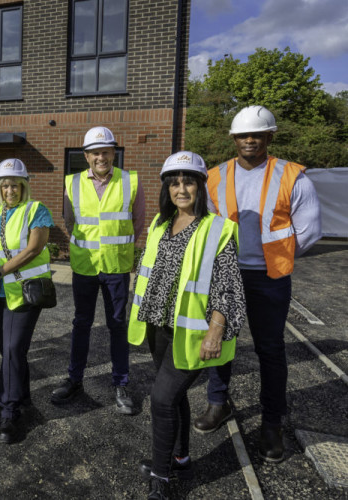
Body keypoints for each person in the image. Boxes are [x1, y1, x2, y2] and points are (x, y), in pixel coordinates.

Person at [195, 105, 321, 462]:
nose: (249, 140)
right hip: (225, 274)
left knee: (270, 350)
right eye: (242, 135)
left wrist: (278, 255)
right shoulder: (214, 176)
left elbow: (310, 231)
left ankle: (271, 423)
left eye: (256, 134)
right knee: (219, 341)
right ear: (234, 139)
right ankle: (219, 403)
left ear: (269, 136)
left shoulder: (292, 176)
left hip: (269, 278)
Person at [128, 151, 246, 500]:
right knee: (175, 398)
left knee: (161, 399)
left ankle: (162, 479)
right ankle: (180, 456)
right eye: (175, 183)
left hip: (193, 333)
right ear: (167, 189)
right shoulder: (159, 225)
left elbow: (228, 285)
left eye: (189, 182)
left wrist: (216, 330)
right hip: (158, 327)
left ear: (200, 187)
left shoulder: (217, 228)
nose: (182, 189)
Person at [51, 126, 145, 415]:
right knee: (81, 324)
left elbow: (138, 222)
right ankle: (75, 380)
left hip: (116, 266)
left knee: (117, 325)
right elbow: (69, 221)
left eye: (106, 151)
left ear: (113, 153)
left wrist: (118, 248)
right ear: (86, 155)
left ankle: (121, 384)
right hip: (85, 266)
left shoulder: (130, 181)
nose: (101, 157)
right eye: (95, 152)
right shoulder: (72, 183)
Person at [0, 158, 54, 444]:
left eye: (16, 185)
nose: (10, 190)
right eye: (5, 185)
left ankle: (9, 412)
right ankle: (24, 396)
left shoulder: (36, 209)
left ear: (24, 186)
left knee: (11, 348)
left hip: (24, 292)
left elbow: (34, 249)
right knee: (10, 350)